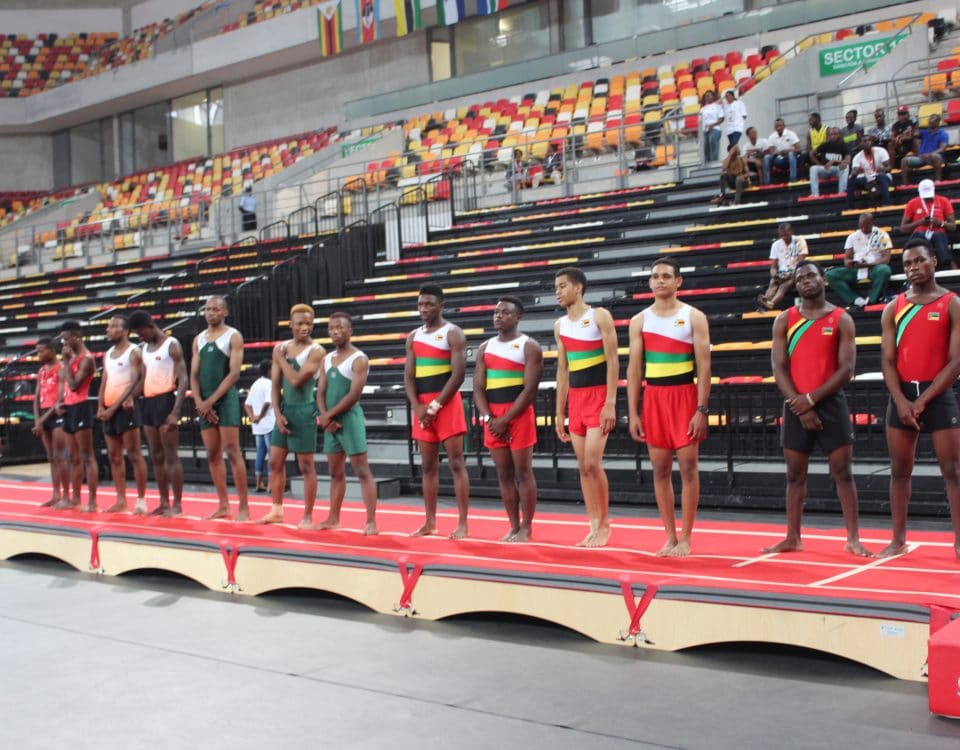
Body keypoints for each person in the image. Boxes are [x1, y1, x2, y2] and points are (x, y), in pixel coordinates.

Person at [763, 262, 870, 556]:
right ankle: (792, 537)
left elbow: (846, 370)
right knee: (794, 475)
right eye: (800, 278)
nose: (806, 281)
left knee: (843, 473)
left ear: (823, 279)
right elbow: (778, 368)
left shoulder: (841, 319)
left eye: (811, 275)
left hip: (830, 403)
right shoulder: (784, 320)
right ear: (796, 285)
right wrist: (800, 404)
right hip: (795, 404)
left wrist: (810, 400)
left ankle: (853, 538)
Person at [879, 239, 960, 560]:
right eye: (908, 264)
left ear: (934, 261)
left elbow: (956, 361)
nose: (913, 268)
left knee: (953, 471)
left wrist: (923, 399)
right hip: (901, 395)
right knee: (899, 471)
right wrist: (901, 401)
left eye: (919, 261)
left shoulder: (952, 304)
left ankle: (959, 542)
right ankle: (898, 540)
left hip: (937, 395)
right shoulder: (894, 307)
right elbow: (888, 361)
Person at [627, 258, 711, 557]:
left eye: (666, 276)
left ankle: (686, 537)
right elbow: (634, 370)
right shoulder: (639, 321)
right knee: (660, 470)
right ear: (650, 282)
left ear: (678, 281)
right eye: (655, 276)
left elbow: (704, 367)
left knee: (688, 467)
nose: (660, 280)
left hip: (684, 396)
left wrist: (701, 409)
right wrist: (633, 413)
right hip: (654, 398)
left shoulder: (694, 317)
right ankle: (670, 536)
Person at [554, 267, 619, 547]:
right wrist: (559, 412)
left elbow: (613, 360)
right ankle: (593, 524)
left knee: (593, 462)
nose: (557, 292)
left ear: (578, 287)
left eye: (562, 286)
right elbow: (562, 370)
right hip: (576, 400)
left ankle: (605, 525)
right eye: (556, 287)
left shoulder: (599, 316)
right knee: (583, 466)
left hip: (598, 395)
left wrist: (610, 403)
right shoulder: (560, 325)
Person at [473, 296, 544, 542]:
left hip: (518, 415)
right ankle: (513, 525)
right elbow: (478, 388)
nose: (498, 316)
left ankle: (527, 527)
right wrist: (488, 418)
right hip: (493, 417)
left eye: (505, 312)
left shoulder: (529, 346)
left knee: (523, 473)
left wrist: (506, 419)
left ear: (518, 317)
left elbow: (529, 391)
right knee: (503, 473)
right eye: (496, 312)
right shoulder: (485, 348)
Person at [404, 284, 470, 538]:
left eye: (429, 304)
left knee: (456, 463)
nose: (424, 309)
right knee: (428, 466)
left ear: (441, 305)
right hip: (422, 406)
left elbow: (458, 375)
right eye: (421, 304)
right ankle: (430, 521)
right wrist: (418, 407)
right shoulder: (413, 337)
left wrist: (435, 405)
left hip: (447, 404)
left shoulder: (453, 333)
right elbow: (409, 376)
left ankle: (462, 523)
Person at [258, 304, 325, 527]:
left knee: (306, 465)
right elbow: (275, 385)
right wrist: (277, 413)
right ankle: (276, 510)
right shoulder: (281, 349)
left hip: (304, 411)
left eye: (309, 323)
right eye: (300, 324)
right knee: (275, 461)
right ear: (291, 325)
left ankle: (307, 516)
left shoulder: (317, 351)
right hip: (285, 409)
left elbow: (296, 381)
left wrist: (280, 359)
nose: (305, 327)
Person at [315, 312, 379, 535]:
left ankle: (371, 521)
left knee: (362, 471)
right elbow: (320, 392)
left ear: (350, 331)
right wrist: (325, 417)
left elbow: (354, 395)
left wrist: (328, 416)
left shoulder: (359, 358)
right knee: (335, 473)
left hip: (349, 420)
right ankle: (333, 518)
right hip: (330, 423)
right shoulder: (326, 359)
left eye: (340, 327)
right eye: (331, 328)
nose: (335, 332)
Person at [190, 295, 249, 521]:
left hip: (224, 400)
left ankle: (243, 506)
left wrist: (210, 401)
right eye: (207, 309)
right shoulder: (198, 339)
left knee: (232, 451)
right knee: (212, 454)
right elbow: (194, 375)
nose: (211, 313)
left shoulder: (233, 336)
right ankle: (223, 505)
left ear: (225, 312)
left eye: (215, 309)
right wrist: (199, 401)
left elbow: (234, 374)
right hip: (204, 402)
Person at [130, 310, 187, 516]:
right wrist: (130, 397)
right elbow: (143, 379)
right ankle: (163, 502)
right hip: (148, 401)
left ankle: (177, 504)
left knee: (171, 455)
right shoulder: (144, 349)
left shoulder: (172, 344)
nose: (140, 337)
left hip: (166, 400)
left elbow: (183, 379)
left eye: (141, 333)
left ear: (150, 326)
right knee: (156, 456)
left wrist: (176, 411)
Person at [96, 315, 148, 514]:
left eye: (113, 326)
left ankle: (141, 500)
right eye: (108, 326)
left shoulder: (133, 352)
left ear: (125, 331)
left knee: (134, 454)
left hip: (125, 410)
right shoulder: (108, 353)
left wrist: (114, 407)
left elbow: (135, 381)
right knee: (114, 456)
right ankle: (121, 500)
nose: (108, 329)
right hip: (109, 408)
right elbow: (104, 381)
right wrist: (101, 406)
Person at [54, 319, 97, 512]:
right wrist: (59, 402)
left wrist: (65, 361)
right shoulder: (71, 358)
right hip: (69, 407)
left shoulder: (86, 359)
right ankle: (75, 499)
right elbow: (64, 385)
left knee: (87, 456)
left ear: (76, 337)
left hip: (81, 406)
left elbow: (73, 385)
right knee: (73, 457)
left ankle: (92, 502)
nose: (63, 343)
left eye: (65, 339)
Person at [825, 212, 892, 309]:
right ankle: (855, 300)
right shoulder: (852, 237)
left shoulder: (882, 235)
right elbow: (847, 259)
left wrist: (869, 264)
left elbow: (886, 258)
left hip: (874, 268)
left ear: (872, 223)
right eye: (861, 226)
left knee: (885, 270)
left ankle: (871, 299)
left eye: (866, 226)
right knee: (830, 275)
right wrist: (850, 263)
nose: (863, 229)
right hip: (857, 269)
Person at [32, 337, 68, 508]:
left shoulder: (61, 369)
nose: (38, 354)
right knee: (51, 458)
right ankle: (55, 494)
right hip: (43, 416)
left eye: (41, 351)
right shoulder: (41, 371)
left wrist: (41, 420)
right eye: (37, 351)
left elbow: (60, 399)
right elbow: (36, 397)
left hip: (56, 415)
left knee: (60, 456)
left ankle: (66, 495)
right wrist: (37, 419)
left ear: (52, 350)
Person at [900, 178, 957, 270]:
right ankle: (913, 264)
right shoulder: (912, 203)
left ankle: (947, 263)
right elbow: (903, 228)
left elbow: (953, 226)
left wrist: (940, 223)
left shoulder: (943, 201)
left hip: (938, 233)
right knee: (919, 235)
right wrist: (919, 223)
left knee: (937, 236)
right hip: (920, 234)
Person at [758, 223, 808, 311]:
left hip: (797, 271)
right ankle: (765, 302)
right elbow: (773, 267)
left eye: (786, 235)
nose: (784, 238)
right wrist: (774, 275)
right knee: (773, 283)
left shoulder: (800, 241)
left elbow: (801, 262)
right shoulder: (775, 245)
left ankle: (771, 304)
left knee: (784, 286)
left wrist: (790, 274)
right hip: (782, 273)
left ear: (791, 232)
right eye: (782, 236)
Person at [243, 359, 275, 493]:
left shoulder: (255, 384)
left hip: (258, 426)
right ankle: (271, 485)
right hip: (269, 424)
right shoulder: (270, 383)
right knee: (272, 455)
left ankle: (258, 483)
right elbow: (268, 402)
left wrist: (252, 417)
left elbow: (247, 404)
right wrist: (260, 416)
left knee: (260, 453)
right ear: (269, 370)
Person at [901, 113, 949, 185]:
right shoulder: (924, 132)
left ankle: (938, 180)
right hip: (922, 158)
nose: (930, 122)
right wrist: (909, 131)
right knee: (904, 161)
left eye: (932, 121)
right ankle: (905, 184)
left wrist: (929, 154)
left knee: (935, 157)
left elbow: (942, 149)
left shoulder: (943, 134)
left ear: (937, 122)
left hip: (933, 157)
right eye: (929, 121)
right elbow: (914, 134)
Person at [846, 134, 891, 209]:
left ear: (872, 142)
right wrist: (856, 172)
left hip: (881, 177)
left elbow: (889, 167)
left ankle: (886, 204)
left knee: (882, 177)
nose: (867, 142)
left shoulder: (881, 151)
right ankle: (850, 208)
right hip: (867, 180)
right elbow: (853, 172)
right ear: (861, 144)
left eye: (869, 140)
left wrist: (882, 169)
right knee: (851, 180)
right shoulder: (857, 157)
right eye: (864, 141)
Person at [808, 127, 850, 198]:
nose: (833, 136)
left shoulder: (844, 145)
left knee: (845, 166)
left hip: (837, 170)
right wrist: (819, 164)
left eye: (835, 134)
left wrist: (833, 161)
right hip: (826, 169)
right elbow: (811, 153)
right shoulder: (825, 145)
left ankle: (842, 192)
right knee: (813, 168)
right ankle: (815, 194)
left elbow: (848, 161)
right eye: (831, 134)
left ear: (839, 135)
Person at [763, 117, 800, 184]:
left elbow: (798, 149)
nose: (778, 128)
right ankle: (767, 183)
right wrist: (779, 153)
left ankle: (793, 180)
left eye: (780, 126)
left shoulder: (791, 134)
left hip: (790, 159)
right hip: (778, 159)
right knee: (766, 157)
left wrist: (787, 151)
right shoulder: (772, 136)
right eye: (776, 126)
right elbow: (771, 152)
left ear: (784, 126)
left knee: (791, 154)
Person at [700, 91, 724, 162]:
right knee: (705, 147)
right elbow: (700, 121)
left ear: (713, 97)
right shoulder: (702, 109)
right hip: (705, 130)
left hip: (715, 129)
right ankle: (707, 164)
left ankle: (714, 162)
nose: (707, 97)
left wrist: (713, 125)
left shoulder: (717, 106)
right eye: (706, 96)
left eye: (709, 95)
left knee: (712, 142)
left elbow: (721, 118)